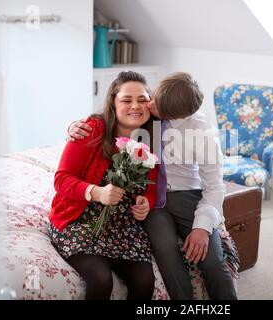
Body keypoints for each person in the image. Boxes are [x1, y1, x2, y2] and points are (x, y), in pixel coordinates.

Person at [69, 72, 238, 300]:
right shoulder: (146, 112)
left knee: (213, 261)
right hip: (152, 199)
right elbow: (111, 118)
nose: (149, 105)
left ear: (175, 114)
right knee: (166, 252)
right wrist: (73, 126)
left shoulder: (201, 131)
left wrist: (202, 228)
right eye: (153, 97)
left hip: (188, 195)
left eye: (156, 106)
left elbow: (215, 186)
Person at [49, 71, 158, 300]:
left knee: (145, 281)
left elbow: (151, 186)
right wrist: (97, 192)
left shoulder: (150, 136)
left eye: (142, 99)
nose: (135, 106)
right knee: (100, 279)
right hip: (79, 221)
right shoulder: (93, 129)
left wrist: (146, 202)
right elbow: (61, 179)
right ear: (113, 103)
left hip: (122, 227)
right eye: (126, 100)